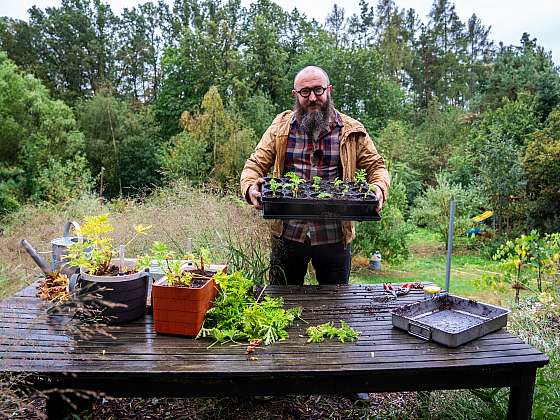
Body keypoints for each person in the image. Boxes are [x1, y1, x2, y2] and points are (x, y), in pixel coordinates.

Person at [240, 65, 390, 286]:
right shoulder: (281, 128)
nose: (312, 97)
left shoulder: (351, 130)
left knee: (334, 301)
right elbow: (254, 165)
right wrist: (251, 187)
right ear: (295, 95)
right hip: (288, 233)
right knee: (282, 299)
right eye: (305, 92)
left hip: (334, 235)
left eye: (318, 90)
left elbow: (377, 167)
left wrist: (378, 188)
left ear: (328, 90)